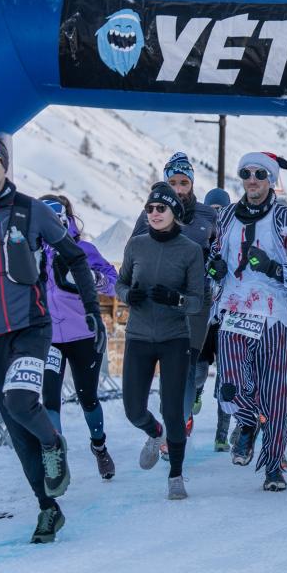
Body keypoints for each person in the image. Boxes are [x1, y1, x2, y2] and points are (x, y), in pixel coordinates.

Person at [0, 131, 106, 543]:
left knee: (20, 401)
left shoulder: (32, 212)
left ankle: (53, 442)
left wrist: (90, 307)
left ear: (4, 164)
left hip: (32, 328)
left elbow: (75, 256)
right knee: (14, 425)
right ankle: (49, 509)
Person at [209, 151, 287, 492]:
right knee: (230, 383)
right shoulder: (226, 216)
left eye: (259, 174)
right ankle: (245, 421)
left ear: (270, 179)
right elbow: (214, 257)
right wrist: (215, 268)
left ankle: (273, 466)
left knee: (274, 393)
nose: (252, 180)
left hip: (275, 314)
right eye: (246, 173)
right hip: (234, 309)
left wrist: (272, 266)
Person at [116, 183, 204, 500]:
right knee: (132, 409)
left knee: (173, 411)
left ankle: (176, 475)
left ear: (174, 213)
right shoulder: (136, 245)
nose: (154, 213)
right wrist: (128, 295)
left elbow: (197, 301)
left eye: (160, 208)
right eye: (149, 208)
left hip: (174, 337)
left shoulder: (190, 251)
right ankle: (154, 434)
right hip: (139, 336)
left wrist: (176, 299)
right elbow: (120, 283)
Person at [131, 153, 218, 442]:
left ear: (192, 183)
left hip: (196, 299)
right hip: (159, 301)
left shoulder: (207, 215)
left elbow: (223, 249)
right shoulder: (151, 213)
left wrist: (218, 264)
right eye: (172, 182)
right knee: (168, 369)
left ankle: (175, 426)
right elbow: (134, 252)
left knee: (189, 366)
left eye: (184, 182)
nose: (179, 188)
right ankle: (170, 421)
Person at [39, 195, 118, 480]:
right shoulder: (31, 253)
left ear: (65, 219)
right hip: (49, 339)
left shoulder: (82, 249)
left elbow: (114, 282)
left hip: (84, 334)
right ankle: (55, 457)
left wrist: (95, 280)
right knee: (50, 398)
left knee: (88, 398)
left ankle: (99, 446)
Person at [199, 188, 233, 451]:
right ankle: (196, 393)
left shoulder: (234, 237)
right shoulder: (197, 236)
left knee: (226, 378)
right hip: (202, 316)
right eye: (213, 210)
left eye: (222, 210)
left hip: (227, 317)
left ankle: (221, 435)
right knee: (198, 370)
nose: (217, 215)